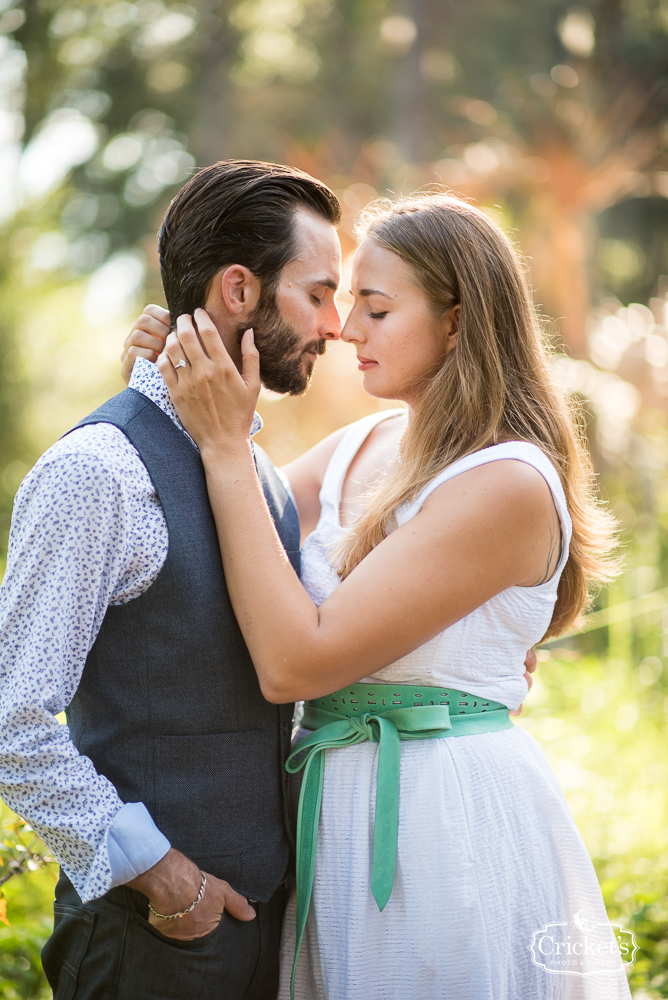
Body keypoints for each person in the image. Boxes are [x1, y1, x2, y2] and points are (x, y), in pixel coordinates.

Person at [142, 193, 631, 999]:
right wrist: (169, 385)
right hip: (334, 809)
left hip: (441, 823)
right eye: (340, 302)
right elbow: (203, 530)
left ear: (456, 321)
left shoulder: (505, 483)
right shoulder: (359, 447)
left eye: (374, 307)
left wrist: (228, 441)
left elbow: (298, 662)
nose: (342, 328)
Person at [0, 160, 344, 1000]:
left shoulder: (253, 467)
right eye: (319, 294)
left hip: (261, 932)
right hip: (150, 942)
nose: (335, 324)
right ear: (238, 289)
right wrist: (167, 881)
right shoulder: (98, 471)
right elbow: (10, 716)